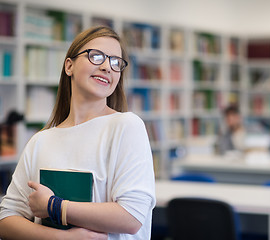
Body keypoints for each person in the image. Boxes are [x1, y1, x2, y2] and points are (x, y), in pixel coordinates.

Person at [0, 26, 156, 240]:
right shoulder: (40, 141)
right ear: (69, 65)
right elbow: (6, 218)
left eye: (115, 62)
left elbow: (132, 216)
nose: (106, 67)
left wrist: (55, 207)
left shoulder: (127, 126)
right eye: (96, 56)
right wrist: (63, 238)